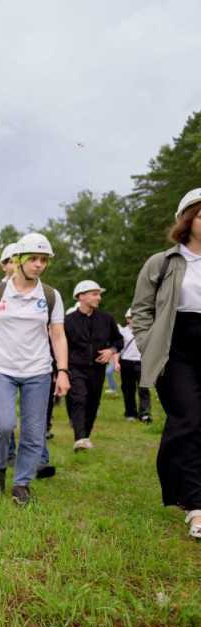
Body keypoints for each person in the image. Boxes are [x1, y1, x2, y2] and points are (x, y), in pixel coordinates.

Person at [0, 233, 70, 506]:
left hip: (38, 372)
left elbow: (58, 335)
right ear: (18, 261)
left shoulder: (50, 296)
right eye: (33, 259)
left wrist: (62, 371)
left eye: (44, 260)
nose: (39, 265)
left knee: (34, 432)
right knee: (3, 425)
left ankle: (22, 483)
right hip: (1, 368)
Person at [131, 187, 201, 540]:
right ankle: (194, 504)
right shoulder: (162, 263)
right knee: (188, 418)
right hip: (176, 350)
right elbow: (141, 310)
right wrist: (148, 346)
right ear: (187, 220)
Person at [63, 280, 123, 452]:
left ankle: (85, 436)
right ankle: (80, 438)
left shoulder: (107, 319)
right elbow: (59, 345)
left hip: (97, 369)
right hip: (75, 367)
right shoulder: (68, 321)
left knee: (92, 402)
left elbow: (119, 340)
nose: (99, 297)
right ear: (81, 296)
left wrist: (111, 351)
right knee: (78, 398)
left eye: (99, 294)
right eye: (95, 294)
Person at [117, 309, 151, 423]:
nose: (134, 320)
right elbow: (118, 348)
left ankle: (145, 413)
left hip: (142, 362)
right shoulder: (122, 332)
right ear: (127, 319)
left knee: (144, 389)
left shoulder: (145, 331)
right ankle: (130, 413)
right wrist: (116, 362)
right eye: (131, 318)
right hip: (126, 362)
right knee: (128, 389)